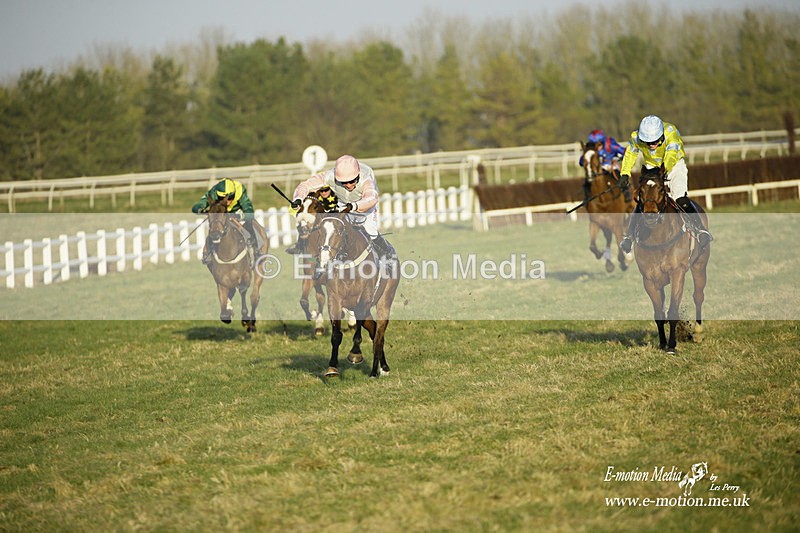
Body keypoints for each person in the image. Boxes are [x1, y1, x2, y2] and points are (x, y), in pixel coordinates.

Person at [618, 115, 712, 253]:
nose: (651, 145)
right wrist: (625, 174)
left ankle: (700, 230)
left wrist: (662, 171)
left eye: (655, 141)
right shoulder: (636, 137)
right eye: (647, 142)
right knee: (643, 201)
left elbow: (671, 155)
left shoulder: (670, 132)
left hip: (674, 167)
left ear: (661, 134)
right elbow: (630, 154)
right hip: (651, 168)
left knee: (680, 198)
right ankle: (629, 237)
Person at [289, 154, 394, 259]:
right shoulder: (329, 176)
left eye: (352, 181)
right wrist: (298, 198)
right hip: (342, 204)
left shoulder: (366, 178)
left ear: (358, 175)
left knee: (371, 232)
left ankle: (388, 255)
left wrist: (353, 206)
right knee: (331, 228)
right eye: (343, 182)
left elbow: (371, 198)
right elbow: (305, 186)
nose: (348, 185)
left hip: (365, 205)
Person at [192, 178, 266, 264]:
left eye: (229, 198)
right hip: (222, 215)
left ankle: (257, 248)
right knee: (214, 226)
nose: (226, 201)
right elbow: (199, 204)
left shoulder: (240, 190)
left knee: (250, 224)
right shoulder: (214, 192)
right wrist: (200, 208)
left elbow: (249, 211)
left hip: (237, 212)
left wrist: (239, 216)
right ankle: (207, 252)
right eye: (221, 198)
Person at [579, 129, 631, 202]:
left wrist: (619, 158)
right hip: (598, 168)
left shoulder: (611, 145)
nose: (596, 147)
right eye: (594, 144)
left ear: (602, 142)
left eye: (598, 144)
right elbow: (581, 162)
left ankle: (626, 193)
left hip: (612, 166)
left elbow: (625, 152)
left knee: (619, 176)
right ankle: (587, 198)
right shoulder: (590, 148)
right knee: (588, 180)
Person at [284, 185, 338, 255]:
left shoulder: (336, 195)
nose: (324, 192)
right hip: (321, 221)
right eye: (322, 191)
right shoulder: (312, 197)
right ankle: (299, 245)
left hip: (336, 219)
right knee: (303, 224)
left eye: (326, 190)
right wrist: (295, 207)